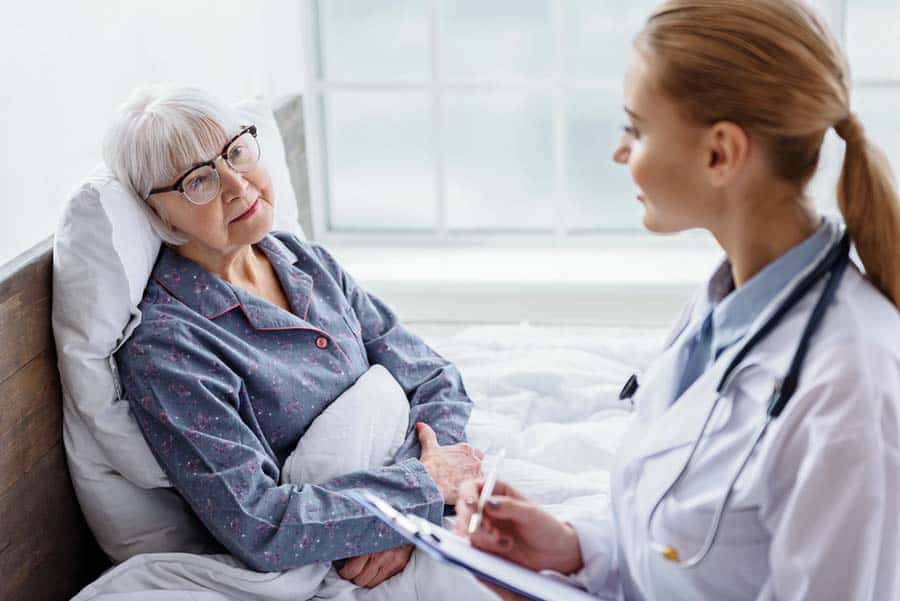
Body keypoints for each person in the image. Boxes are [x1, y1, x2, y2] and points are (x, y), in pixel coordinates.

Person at [454, 1, 900, 600]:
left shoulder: (848, 392)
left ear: (720, 154)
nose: (618, 151)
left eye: (636, 128)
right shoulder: (723, 307)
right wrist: (574, 548)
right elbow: (692, 544)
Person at [103, 86, 492, 596]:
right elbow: (259, 522)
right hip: (330, 557)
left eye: (236, 152)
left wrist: (405, 514)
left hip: (397, 514)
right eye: (199, 180)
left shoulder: (298, 258)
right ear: (157, 214)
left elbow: (431, 375)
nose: (237, 186)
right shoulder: (169, 349)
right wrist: (417, 490)